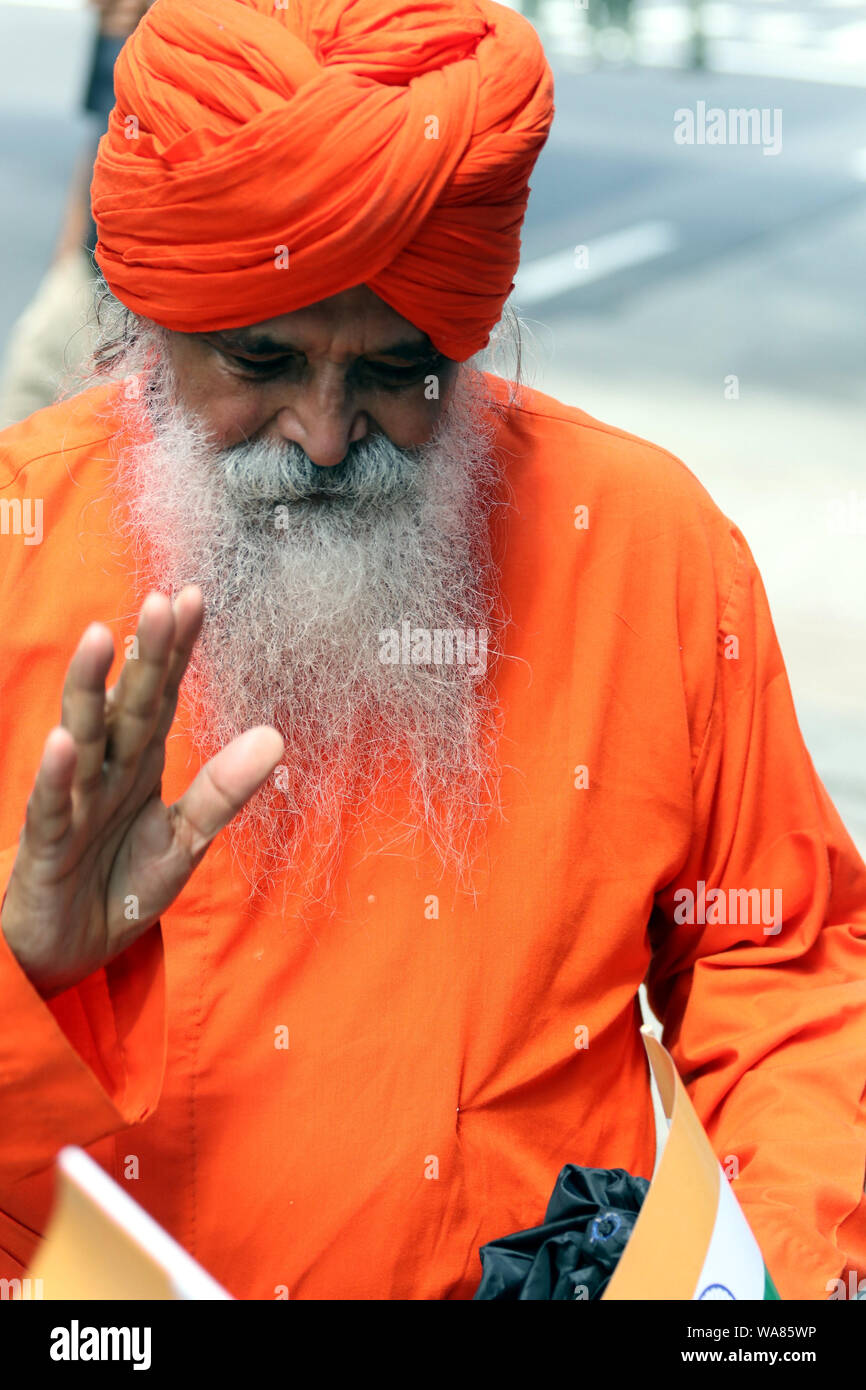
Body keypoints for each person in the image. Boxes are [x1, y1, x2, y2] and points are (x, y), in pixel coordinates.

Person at [1, 0, 865, 1302]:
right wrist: (30, 968)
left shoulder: (646, 543)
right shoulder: (17, 547)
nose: (329, 436)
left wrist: (767, 1288)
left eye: (398, 372)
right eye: (262, 359)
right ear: (144, 324)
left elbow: (782, 965)